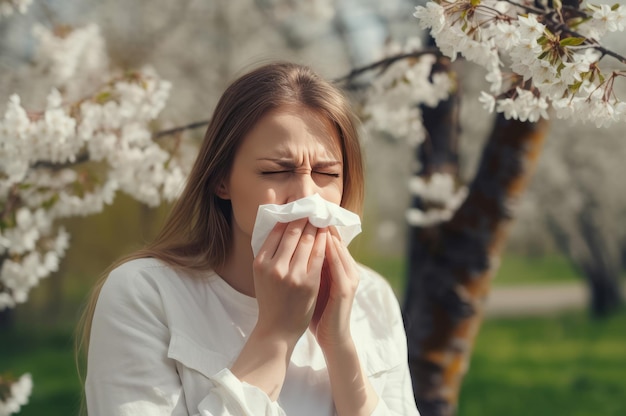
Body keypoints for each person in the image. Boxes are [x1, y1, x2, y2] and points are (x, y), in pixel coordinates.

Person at [79, 61, 420, 416]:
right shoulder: (147, 295)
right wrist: (275, 335)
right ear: (221, 179)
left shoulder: (370, 296)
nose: (306, 196)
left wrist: (340, 348)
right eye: (276, 171)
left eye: (326, 173)